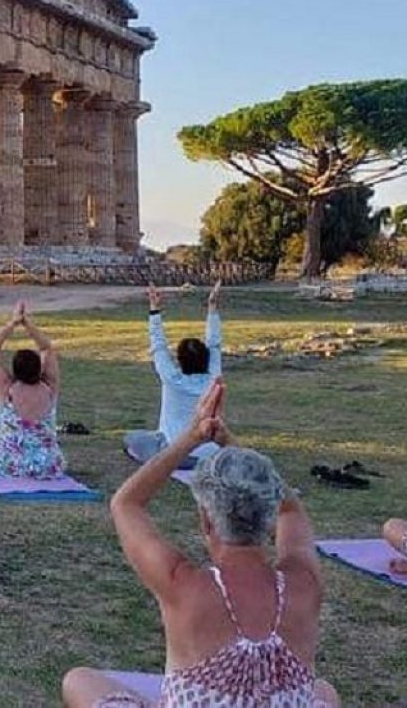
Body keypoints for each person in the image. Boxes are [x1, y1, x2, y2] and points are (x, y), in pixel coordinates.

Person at [62, 380, 339, 708]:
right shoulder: (304, 583)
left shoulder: (182, 585)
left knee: (78, 680)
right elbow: (291, 508)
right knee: (324, 692)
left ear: (206, 520)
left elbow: (126, 503)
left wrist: (193, 435)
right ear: (269, 517)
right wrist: (230, 444)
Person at [124, 282, 223, 469]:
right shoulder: (213, 379)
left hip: (176, 455)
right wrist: (212, 307)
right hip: (210, 455)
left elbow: (158, 345)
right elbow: (215, 344)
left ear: (180, 360)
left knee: (131, 438)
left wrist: (154, 309)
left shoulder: (172, 379)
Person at [0, 300, 65, 478]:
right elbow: (47, 348)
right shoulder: (49, 388)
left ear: (14, 370)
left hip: (7, 465)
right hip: (47, 466)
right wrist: (28, 324)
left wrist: (13, 322)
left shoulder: (7, 389)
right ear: (39, 369)